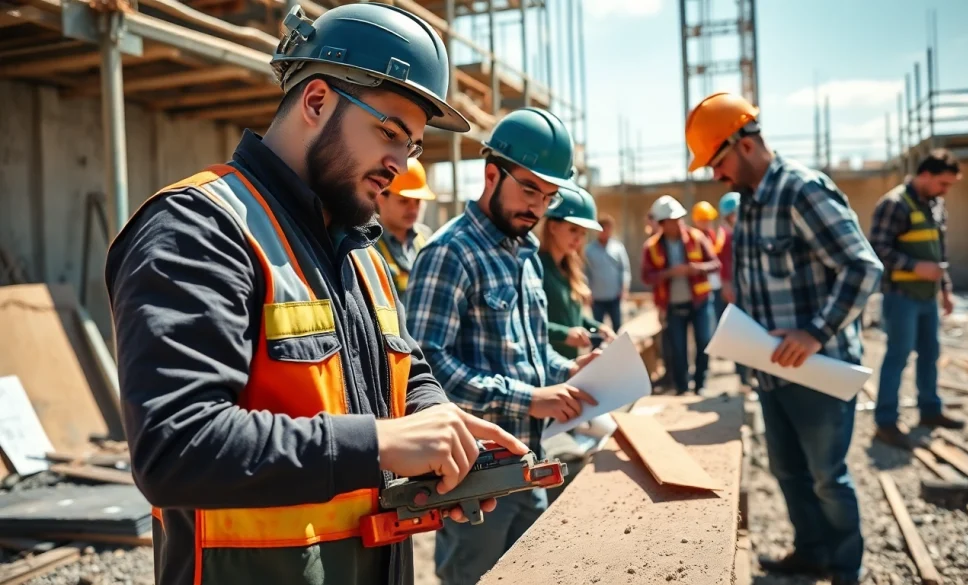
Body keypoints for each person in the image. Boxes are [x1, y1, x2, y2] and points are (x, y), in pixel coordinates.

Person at [103, 5, 528, 585]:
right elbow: (176, 445)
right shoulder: (199, 228)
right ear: (317, 101)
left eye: (414, 147)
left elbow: (408, 369)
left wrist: (436, 424)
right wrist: (380, 442)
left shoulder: (361, 253)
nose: (401, 166)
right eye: (390, 133)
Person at [686, 91, 883, 585]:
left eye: (718, 160)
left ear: (746, 143)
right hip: (770, 369)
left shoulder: (802, 190)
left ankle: (844, 569)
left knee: (826, 477)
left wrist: (816, 333)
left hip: (817, 370)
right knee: (789, 472)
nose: (715, 175)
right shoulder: (749, 204)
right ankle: (811, 551)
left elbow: (863, 267)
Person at [405, 107, 600, 585]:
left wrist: (568, 370)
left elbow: (530, 355)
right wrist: (530, 399)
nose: (537, 207)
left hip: (530, 463)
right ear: (492, 173)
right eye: (529, 188)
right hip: (476, 475)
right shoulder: (450, 252)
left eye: (549, 196)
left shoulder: (526, 256)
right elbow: (426, 369)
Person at [869, 149, 965, 449]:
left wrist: (945, 289)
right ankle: (886, 421)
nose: (945, 190)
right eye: (943, 183)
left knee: (930, 353)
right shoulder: (894, 204)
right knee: (898, 356)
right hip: (901, 296)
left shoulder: (935, 205)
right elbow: (877, 249)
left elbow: (940, 252)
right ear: (925, 175)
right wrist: (914, 266)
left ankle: (930, 410)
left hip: (927, 298)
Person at [640, 195, 721, 395]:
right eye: (672, 221)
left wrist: (696, 268)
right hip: (672, 305)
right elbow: (646, 277)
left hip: (699, 302)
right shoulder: (651, 247)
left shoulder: (696, 238)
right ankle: (682, 387)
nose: (677, 224)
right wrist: (668, 273)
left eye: (679, 219)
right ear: (662, 224)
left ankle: (700, 384)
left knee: (704, 341)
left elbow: (715, 264)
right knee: (678, 349)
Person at [541, 186, 616, 359]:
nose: (578, 239)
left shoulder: (568, 269)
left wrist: (597, 327)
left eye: (583, 233)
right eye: (573, 230)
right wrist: (564, 334)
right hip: (547, 368)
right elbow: (528, 323)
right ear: (552, 227)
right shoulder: (537, 268)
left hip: (568, 364)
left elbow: (570, 316)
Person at [374, 157, 436, 299]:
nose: (413, 209)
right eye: (404, 201)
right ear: (381, 197)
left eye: (418, 201)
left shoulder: (426, 238)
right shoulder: (366, 243)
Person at [716, 191, 752, 386]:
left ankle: (754, 374)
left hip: (753, 292)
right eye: (734, 214)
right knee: (741, 335)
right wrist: (727, 286)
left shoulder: (750, 233)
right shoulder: (728, 238)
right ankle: (744, 377)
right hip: (738, 293)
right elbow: (724, 264)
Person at [584, 212, 632, 332]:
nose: (605, 231)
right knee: (597, 330)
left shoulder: (618, 248)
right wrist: (587, 292)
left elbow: (624, 269)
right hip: (597, 298)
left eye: (607, 228)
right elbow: (585, 273)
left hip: (614, 297)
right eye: (602, 228)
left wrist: (624, 288)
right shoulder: (589, 250)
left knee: (617, 329)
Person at [691, 200, 726, 322]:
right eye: (704, 220)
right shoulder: (693, 238)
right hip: (704, 288)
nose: (708, 223)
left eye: (709, 219)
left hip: (718, 282)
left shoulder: (711, 234)